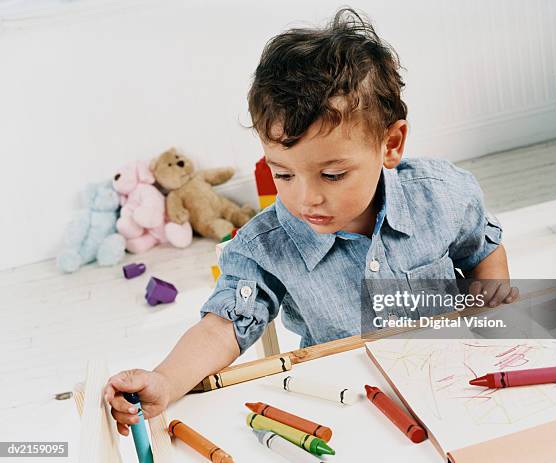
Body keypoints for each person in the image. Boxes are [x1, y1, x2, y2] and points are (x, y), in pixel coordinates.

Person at [105, 8, 518, 435]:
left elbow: (482, 251)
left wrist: (490, 321)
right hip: (350, 408)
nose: (307, 198)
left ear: (390, 144)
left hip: (454, 380)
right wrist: (166, 381)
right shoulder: (265, 245)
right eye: (282, 174)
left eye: (333, 175)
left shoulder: (441, 193)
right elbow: (222, 327)